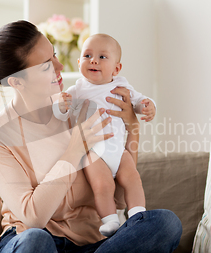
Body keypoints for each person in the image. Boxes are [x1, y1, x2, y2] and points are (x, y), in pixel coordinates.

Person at [0, 20, 181, 253]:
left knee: (165, 224)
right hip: (28, 244)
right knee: (37, 240)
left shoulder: (81, 107)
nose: (60, 67)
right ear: (17, 82)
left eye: (55, 55)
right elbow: (33, 217)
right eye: (47, 65)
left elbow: (116, 199)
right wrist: (73, 151)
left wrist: (132, 128)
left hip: (91, 247)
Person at [52, 34, 156, 237]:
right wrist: (60, 105)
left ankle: (137, 214)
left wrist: (148, 106)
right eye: (88, 55)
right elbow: (61, 112)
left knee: (133, 178)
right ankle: (110, 221)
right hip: (94, 150)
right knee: (103, 185)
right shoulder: (78, 89)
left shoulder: (122, 86)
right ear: (79, 62)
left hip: (118, 149)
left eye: (102, 57)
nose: (93, 60)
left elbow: (139, 101)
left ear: (116, 69)